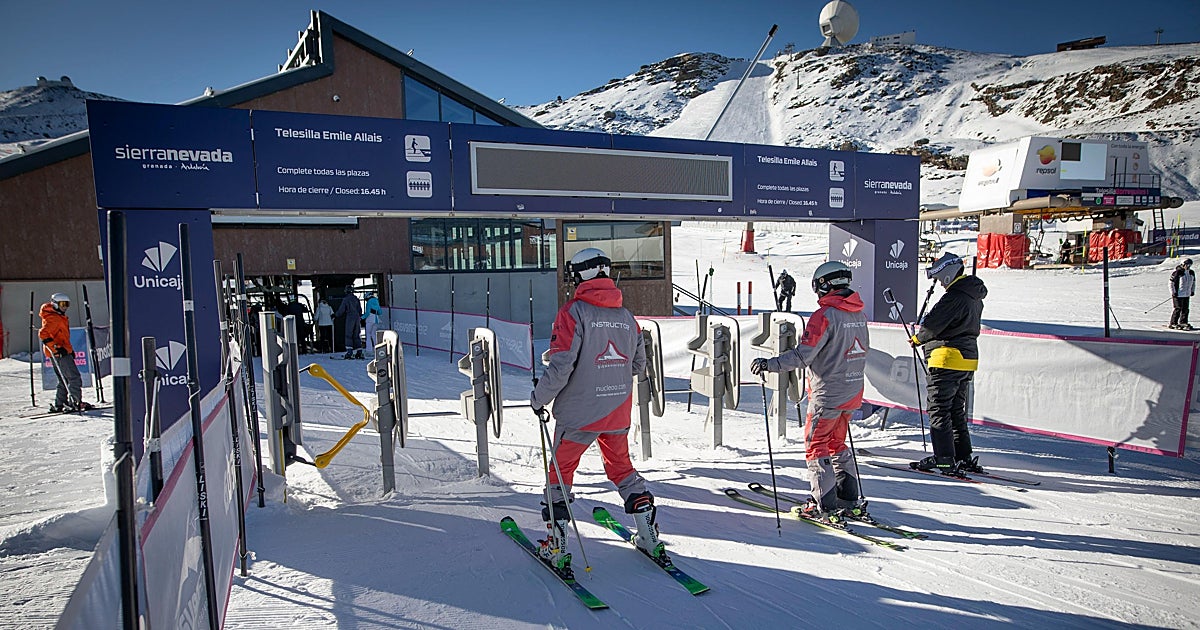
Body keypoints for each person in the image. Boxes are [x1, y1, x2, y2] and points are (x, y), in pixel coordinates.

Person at [530, 247, 657, 573]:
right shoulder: (627, 317)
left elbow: (560, 367)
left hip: (578, 414)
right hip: (616, 409)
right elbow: (638, 365)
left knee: (559, 474)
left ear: (577, 275)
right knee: (621, 469)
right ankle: (649, 536)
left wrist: (539, 397)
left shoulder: (573, 313)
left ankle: (556, 548)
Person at [750, 261, 869, 521]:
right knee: (836, 443)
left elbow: (804, 355)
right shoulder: (858, 313)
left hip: (828, 393)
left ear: (824, 285)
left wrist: (770, 364)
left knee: (816, 445)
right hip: (852, 392)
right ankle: (847, 497)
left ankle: (823, 504)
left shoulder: (824, 315)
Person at [908, 252, 988, 474]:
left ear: (946, 275)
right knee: (955, 409)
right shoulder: (973, 295)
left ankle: (944, 458)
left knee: (939, 409)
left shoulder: (954, 296)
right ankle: (963, 455)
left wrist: (917, 339)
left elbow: (933, 325)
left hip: (946, 358)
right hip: (967, 359)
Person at [38, 293, 94, 413]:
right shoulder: (53, 318)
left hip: (61, 351)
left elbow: (61, 337)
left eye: (67, 304)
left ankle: (60, 403)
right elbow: (43, 334)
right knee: (74, 378)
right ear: (54, 304)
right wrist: (56, 348)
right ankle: (75, 402)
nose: (65, 307)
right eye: (62, 304)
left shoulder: (57, 316)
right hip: (59, 353)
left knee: (64, 379)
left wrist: (69, 350)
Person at [334, 286, 363, 359]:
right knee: (356, 334)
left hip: (350, 317)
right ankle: (359, 351)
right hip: (357, 317)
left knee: (348, 334)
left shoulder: (346, 299)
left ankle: (349, 351)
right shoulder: (356, 299)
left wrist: (335, 315)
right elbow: (360, 309)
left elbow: (342, 309)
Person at [1169, 258, 1195, 330]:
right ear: (1182, 264)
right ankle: (1173, 323)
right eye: (1187, 265)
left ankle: (1183, 322)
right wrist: (1173, 292)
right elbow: (1171, 283)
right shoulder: (1177, 273)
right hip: (1178, 294)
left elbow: (1193, 283)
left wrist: (1192, 291)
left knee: (1185, 309)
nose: (1188, 266)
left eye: (1189, 265)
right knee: (1178, 308)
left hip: (1186, 294)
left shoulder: (1191, 273)